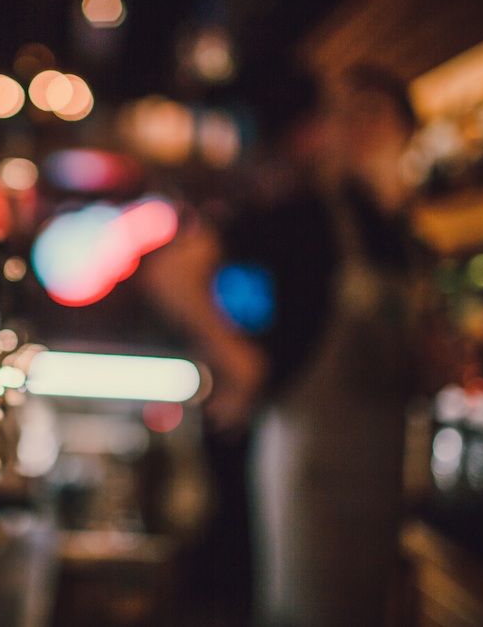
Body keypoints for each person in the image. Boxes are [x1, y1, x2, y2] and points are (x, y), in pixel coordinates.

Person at [143, 65, 420, 625]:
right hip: (310, 471)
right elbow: (171, 272)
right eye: (347, 117)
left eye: (373, 118)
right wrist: (241, 362)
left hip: (386, 486)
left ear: (408, 134)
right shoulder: (308, 217)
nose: (353, 132)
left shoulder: (402, 238)